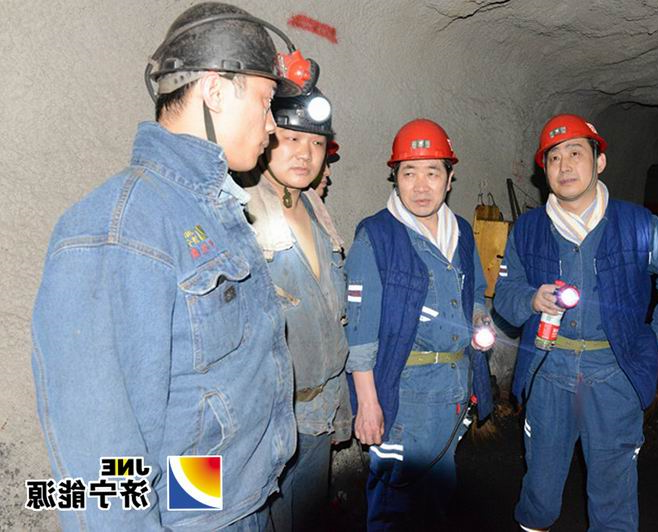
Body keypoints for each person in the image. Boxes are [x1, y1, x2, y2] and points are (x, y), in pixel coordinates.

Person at [30, 3, 312, 529]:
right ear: (215, 91)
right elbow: (101, 444)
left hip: (234, 502)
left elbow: (195, 405)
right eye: (266, 101)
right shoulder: (123, 227)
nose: (273, 125)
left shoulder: (214, 209)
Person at [493, 114, 658, 531]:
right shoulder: (528, 229)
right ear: (544, 169)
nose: (565, 165)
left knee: (613, 494)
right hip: (547, 371)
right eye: (554, 157)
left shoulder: (638, 225)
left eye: (576, 153)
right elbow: (506, 294)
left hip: (613, 373)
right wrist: (531, 299)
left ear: (599, 161)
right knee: (539, 490)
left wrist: (654, 337)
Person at [345, 118, 495, 530]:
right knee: (394, 507)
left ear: (449, 178)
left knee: (435, 501)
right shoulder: (377, 236)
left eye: (433, 172)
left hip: (453, 388)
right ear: (395, 177)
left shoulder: (461, 231)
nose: (421, 185)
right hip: (403, 395)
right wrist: (368, 405)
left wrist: (478, 318)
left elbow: (475, 292)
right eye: (409, 172)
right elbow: (359, 333)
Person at [241, 87, 351, 531]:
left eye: (317, 143)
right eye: (291, 138)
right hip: (266, 422)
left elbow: (331, 320)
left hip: (317, 414)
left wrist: (340, 407)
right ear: (266, 134)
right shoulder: (239, 211)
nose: (305, 153)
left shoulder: (317, 211)